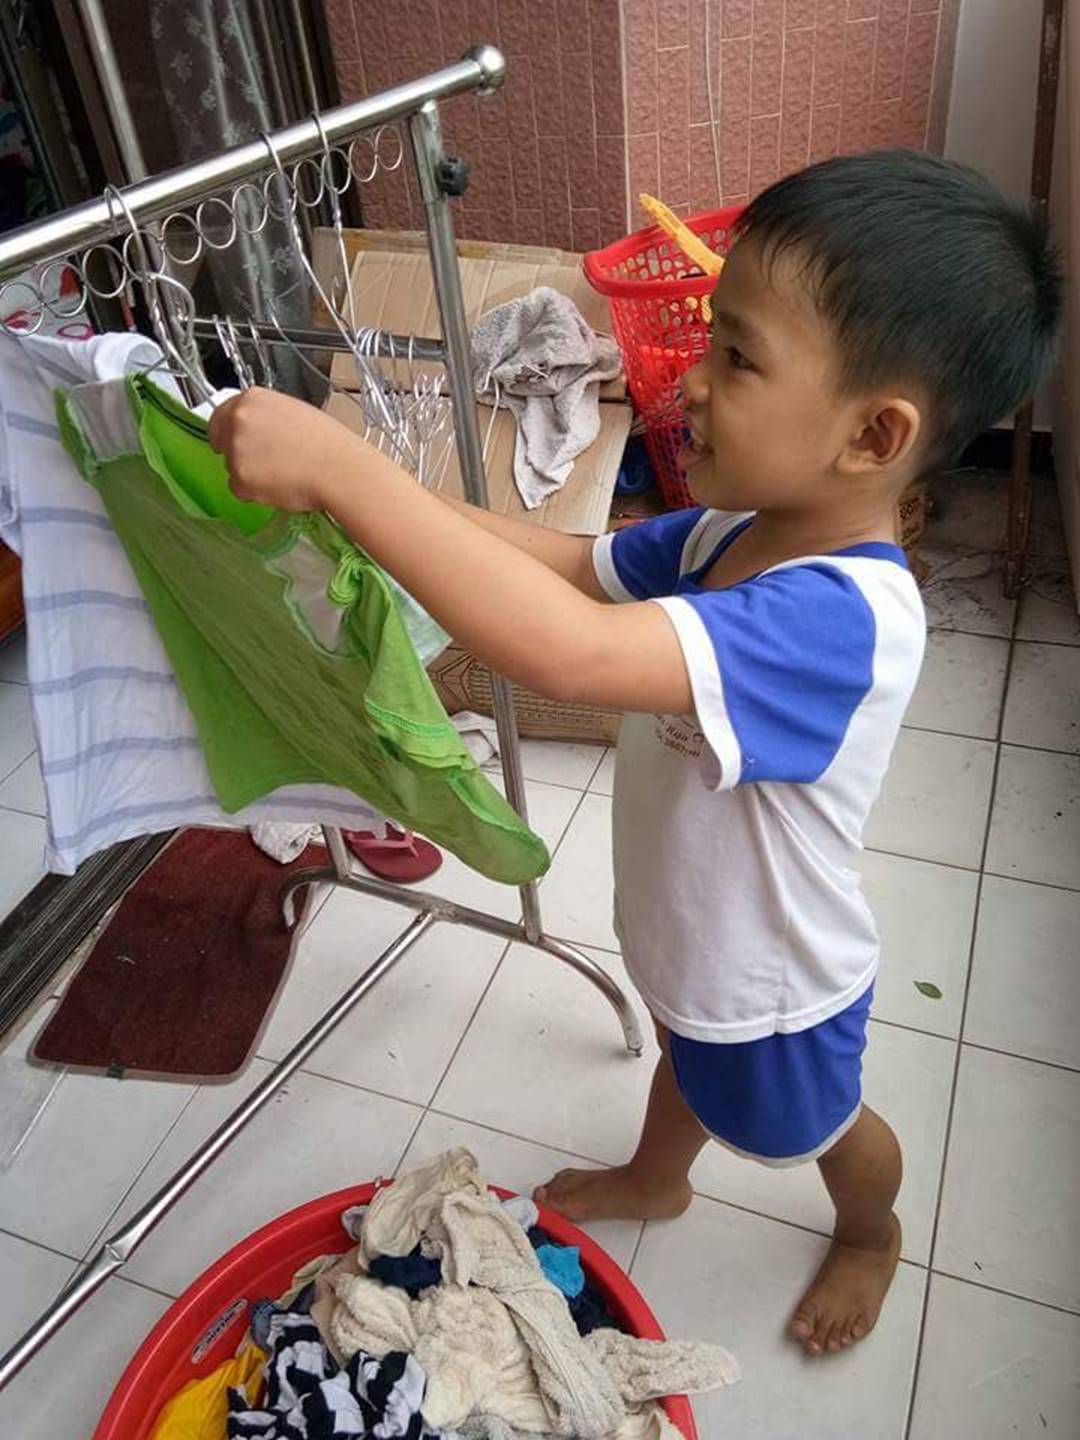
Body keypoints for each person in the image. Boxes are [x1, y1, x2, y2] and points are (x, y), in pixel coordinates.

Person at [209, 150, 1062, 1357]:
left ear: (874, 435)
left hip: (776, 991)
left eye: (739, 358)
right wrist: (380, 493)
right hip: (690, 936)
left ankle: (872, 1231)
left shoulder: (843, 621)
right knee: (680, 1045)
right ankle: (661, 1177)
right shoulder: (730, 533)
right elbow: (568, 565)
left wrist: (341, 474)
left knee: (814, 1129)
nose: (693, 381)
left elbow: (569, 652)